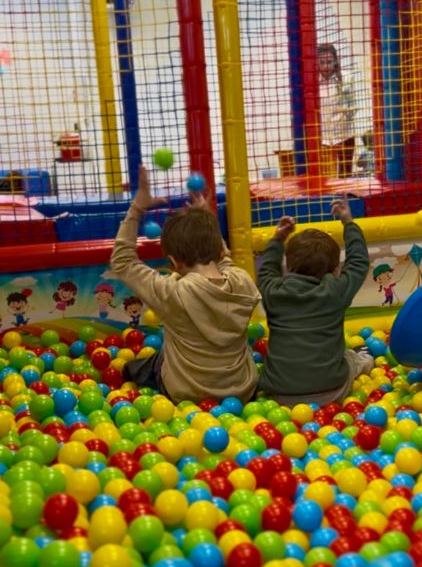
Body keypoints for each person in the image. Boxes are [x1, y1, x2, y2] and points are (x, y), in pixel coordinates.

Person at [109, 166, 260, 404]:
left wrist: (138, 207)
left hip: (185, 393)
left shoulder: (171, 293)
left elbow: (122, 260)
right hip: (241, 391)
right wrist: (206, 220)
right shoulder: (243, 282)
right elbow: (224, 258)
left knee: (138, 367)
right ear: (219, 249)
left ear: (172, 262)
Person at [257, 199, 374, 406]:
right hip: (331, 392)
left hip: (278, 395)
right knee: (351, 358)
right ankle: (365, 360)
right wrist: (348, 222)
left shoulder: (273, 292)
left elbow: (266, 270)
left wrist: (277, 239)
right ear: (335, 270)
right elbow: (358, 262)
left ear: (289, 266)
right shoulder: (334, 291)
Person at [318, 43, 356, 177]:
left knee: (345, 175)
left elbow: (353, 103)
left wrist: (348, 112)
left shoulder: (346, 77)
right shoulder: (313, 81)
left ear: (335, 61)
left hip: (344, 135)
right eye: (322, 62)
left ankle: (345, 197)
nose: (326, 66)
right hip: (323, 138)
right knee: (326, 178)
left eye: (329, 62)